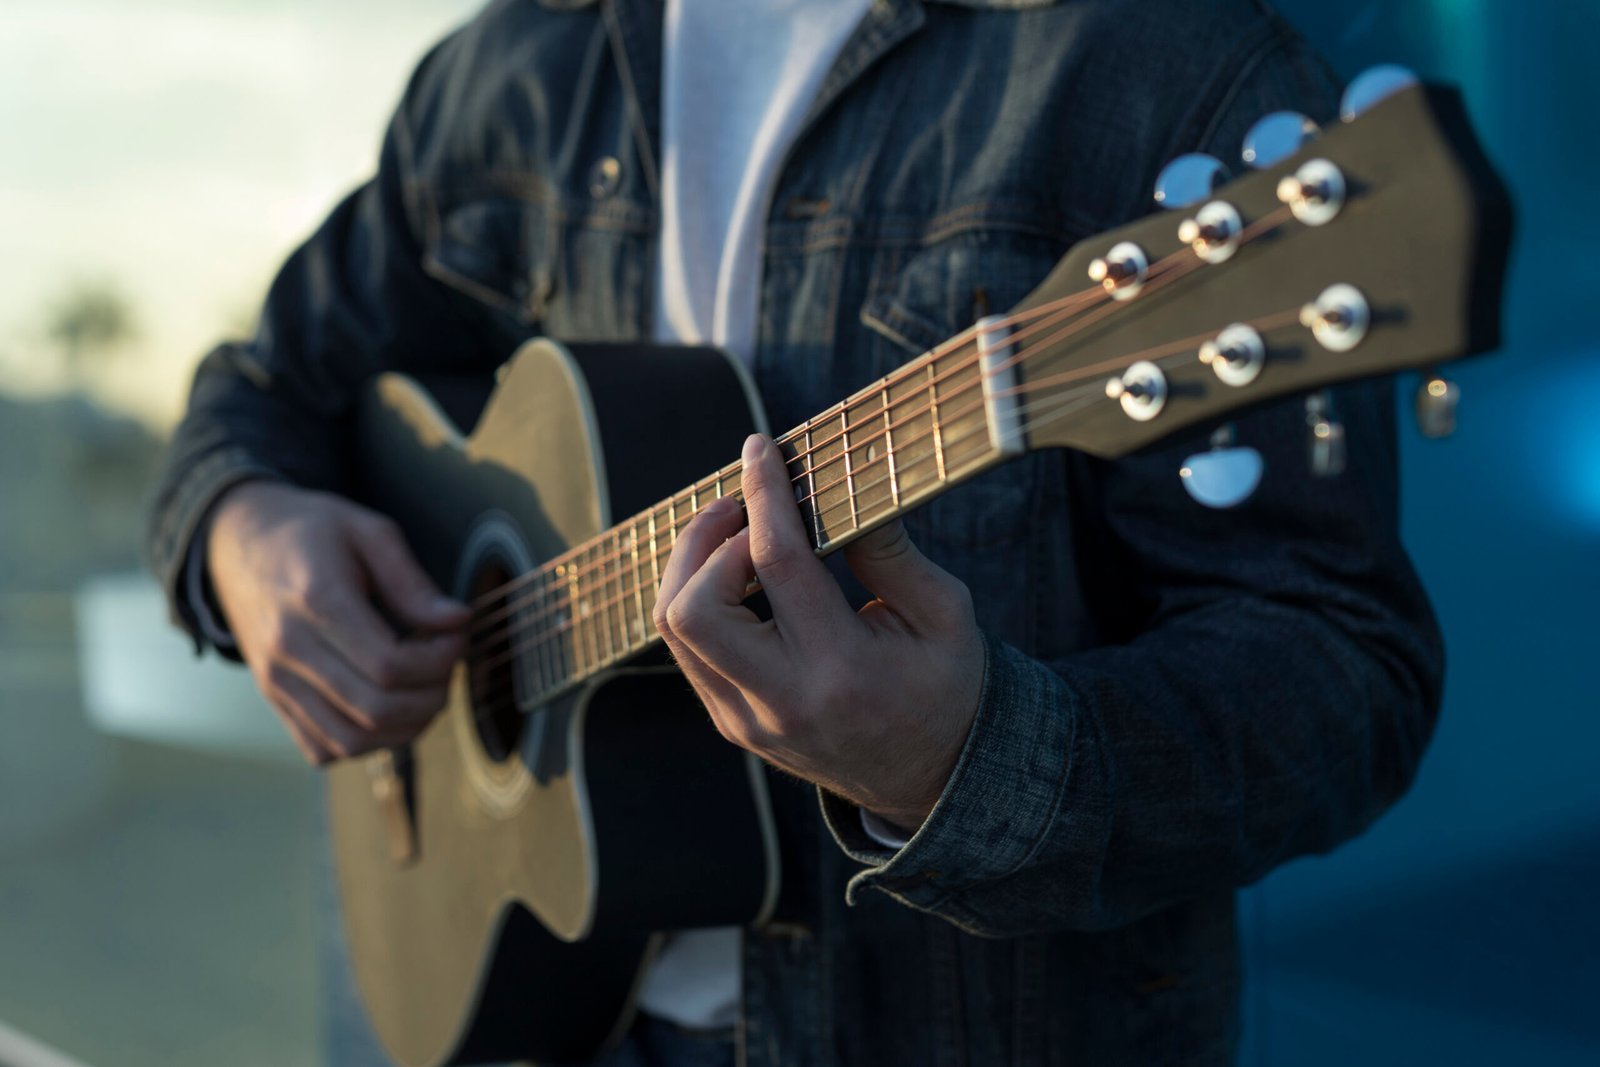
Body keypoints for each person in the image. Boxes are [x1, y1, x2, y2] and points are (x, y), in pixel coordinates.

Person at [146, 0, 1444, 1063]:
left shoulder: (1161, 68)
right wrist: (243, 527)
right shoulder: (516, 70)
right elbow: (267, 393)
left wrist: (964, 762)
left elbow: (1340, 672)